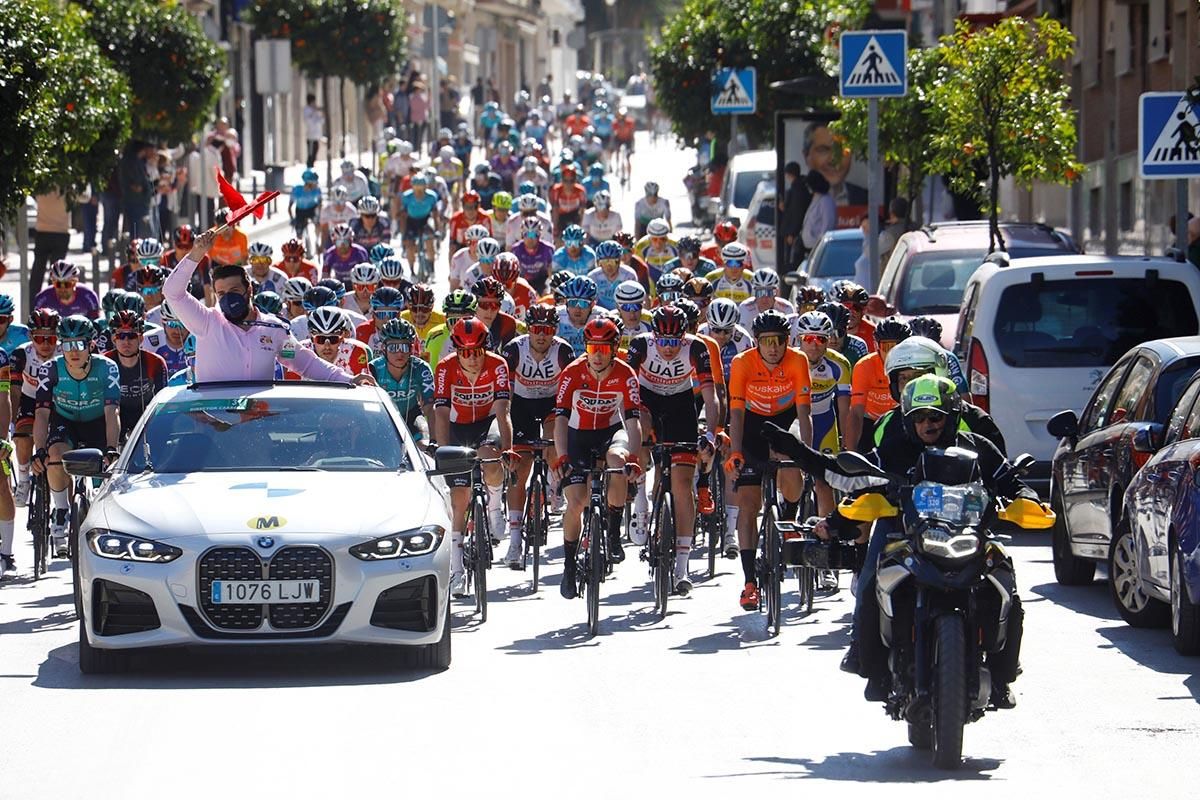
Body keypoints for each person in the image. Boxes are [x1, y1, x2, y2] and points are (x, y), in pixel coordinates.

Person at [762, 375, 1029, 707]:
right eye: (919, 418)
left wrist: (1027, 500)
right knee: (872, 581)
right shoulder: (895, 449)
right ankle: (872, 666)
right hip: (910, 538)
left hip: (969, 539)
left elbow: (1011, 482)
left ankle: (1002, 677)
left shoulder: (977, 446)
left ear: (951, 414)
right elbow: (844, 474)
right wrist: (795, 450)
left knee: (1006, 586)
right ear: (908, 420)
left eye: (935, 416)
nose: (927, 424)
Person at [163, 229, 371, 384]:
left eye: (234, 291)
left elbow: (306, 364)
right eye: (222, 294)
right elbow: (172, 292)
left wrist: (349, 380)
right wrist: (197, 254)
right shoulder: (206, 322)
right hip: (215, 427)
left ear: (250, 290)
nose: (228, 299)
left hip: (257, 424)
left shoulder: (274, 330)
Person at [723, 309, 814, 610]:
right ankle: (749, 582)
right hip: (751, 426)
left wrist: (807, 455)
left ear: (787, 341)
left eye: (778, 341)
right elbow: (735, 412)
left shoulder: (798, 360)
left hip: (786, 421)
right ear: (757, 343)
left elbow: (804, 414)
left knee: (789, 464)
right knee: (748, 504)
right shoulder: (742, 363)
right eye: (766, 341)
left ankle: (788, 514)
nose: (773, 347)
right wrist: (736, 451)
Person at [627, 305, 720, 595]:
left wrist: (710, 434)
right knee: (639, 432)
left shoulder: (696, 348)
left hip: (681, 406)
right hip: (646, 401)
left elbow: (711, 395)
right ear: (655, 337)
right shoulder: (641, 344)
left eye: (674, 341)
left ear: (684, 335)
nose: (668, 348)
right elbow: (625, 383)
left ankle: (682, 563)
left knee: (682, 486)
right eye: (663, 341)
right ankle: (640, 503)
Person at [552, 317, 642, 597]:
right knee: (576, 502)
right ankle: (569, 565)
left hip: (610, 433)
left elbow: (633, 421)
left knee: (617, 461)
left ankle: (614, 532)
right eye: (592, 349)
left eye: (604, 348)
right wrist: (562, 456)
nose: (598, 355)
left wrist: (635, 457)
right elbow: (560, 421)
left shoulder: (626, 374)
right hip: (578, 437)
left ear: (615, 349)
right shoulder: (572, 373)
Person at [433, 318, 515, 597]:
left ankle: (494, 505)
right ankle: (456, 569)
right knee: (459, 501)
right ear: (456, 351)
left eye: (477, 351)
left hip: (487, 423)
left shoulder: (497, 365)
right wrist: (444, 452)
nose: (472, 358)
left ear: (485, 349)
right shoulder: (445, 368)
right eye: (465, 352)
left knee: (491, 459)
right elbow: (441, 413)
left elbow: (503, 412)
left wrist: (508, 449)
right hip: (457, 426)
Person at [31, 316, 120, 555]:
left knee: (105, 469)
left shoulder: (107, 367)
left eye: (79, 344)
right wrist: (39, 450)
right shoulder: (50, 369)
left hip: (97, 421)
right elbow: (41, 414)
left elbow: (112, 412)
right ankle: (61, 514)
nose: (73, 352)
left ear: (91, 345)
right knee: (55, 455)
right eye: (67, 345)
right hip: (65, 420)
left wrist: (112, 447)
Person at [500, 304, 573, 565]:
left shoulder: (563, 351)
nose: (541, 335)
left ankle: (555, 486)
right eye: (536, 329)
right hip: (521, 404)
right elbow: (504, 394)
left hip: (552, 403)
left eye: (547, 330)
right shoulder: (514, 350)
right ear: (528, 329)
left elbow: (569, 391)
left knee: (554, 437)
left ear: (555, 331)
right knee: (520, 468)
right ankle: (516, 540)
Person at [793, 311, 851, 520]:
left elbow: (844, 408)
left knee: (824, 481)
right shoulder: (789, 361)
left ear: (828, 340)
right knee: (790, 474)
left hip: (825, 423)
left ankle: (824, 533)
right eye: (808, 338)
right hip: (795, 423)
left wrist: (847, 444)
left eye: (821, 339)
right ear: (799, 339)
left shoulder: (839, 364)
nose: (814, 344)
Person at [11, 309, 61, 506]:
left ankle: (62, 507)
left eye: (52, 338)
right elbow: (14, 392)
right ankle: (24, 480)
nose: (46, 344)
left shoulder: (65, 351)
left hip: (57, 400)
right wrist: (13, 423)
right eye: (40, 338)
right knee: (23, 437)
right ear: (31, 336)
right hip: (29, 398)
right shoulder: (21, 353)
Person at [844, 316, 911, 452]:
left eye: (899, 346)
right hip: (870, 421)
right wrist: (851, 453)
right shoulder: (864, 366)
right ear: (876, 347)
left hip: (902, 418)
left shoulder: (915, 365)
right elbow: (856, 412)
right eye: (887, 347)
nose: (893, 353)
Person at [104, 310, 167, 442]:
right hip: (114, 414)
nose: (126, 341)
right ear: (113, 339)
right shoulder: (105, 362)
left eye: (132, 336)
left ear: (141, 338)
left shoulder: (155, 362)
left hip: (145, 414)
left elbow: (162, 402)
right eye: (121, 336)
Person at [369, 318, 435, 442]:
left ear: (411, 348)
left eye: (404, 347)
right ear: (384, 348)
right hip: (380, 418)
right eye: (393, 347)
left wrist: (434, 442)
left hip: (411, 415)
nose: (399, 353)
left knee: (424, 445)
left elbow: (430, 408)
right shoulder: (373, 369)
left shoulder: (421, 368)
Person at [31, 191, 72, 297]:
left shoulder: (41, 183)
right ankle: (52, 302)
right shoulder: (68, 184)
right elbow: (85, 197)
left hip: (42, 231)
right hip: (61, 233)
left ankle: (33, 303)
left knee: (37, 271)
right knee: (57, 273)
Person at [398, 174, 441, 271]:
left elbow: (435, 214)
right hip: (411, 221)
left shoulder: (432, 196)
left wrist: (437, 230)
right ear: (412, 187)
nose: (419, 191)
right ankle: (412, 270)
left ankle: (432, 267)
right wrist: (403, 233)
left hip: (426, 220)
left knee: (430, 241)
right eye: (416, 188)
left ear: (426, 187)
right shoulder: (406, 197)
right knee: (410, 245)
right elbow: (403, 216)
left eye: (421, 188)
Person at [34, 261, 100, 319]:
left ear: (75, 282)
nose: (62, 288)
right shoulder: (42, 298)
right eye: (58, 284)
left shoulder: (89, 296)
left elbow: (96, 325)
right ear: (53, 283)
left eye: (67, 284)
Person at [555, 275, 601, 357]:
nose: (577, 309)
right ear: (565, 302)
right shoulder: (555, 316)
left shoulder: (602, 318)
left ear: (592, 304)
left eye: (583, 303)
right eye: (573, 302)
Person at [588, 240, 639, 311]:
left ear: (620, 260)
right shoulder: (592, 277)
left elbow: (634, 301)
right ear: (599, 262)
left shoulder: (629, 275)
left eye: (613, 262)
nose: (609, 266)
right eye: (605, 262)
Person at [778, 161, 811, 270]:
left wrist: (792, 232)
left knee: (792, 261)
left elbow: (797, 212)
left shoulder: (797, 189)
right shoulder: (799, 187)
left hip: (794, 232)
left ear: (790, 174)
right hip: (794, 231)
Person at [831, 280, 876, 352]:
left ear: (864, 311)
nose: (851, 312)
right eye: (846, 306)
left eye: (856, 308)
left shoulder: (873, 333)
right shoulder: (827, 329)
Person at [513, 219, 556, 293]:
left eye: (533, 234)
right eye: (526, 234)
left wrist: (549, 289)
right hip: (522, 281)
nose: (530, 238)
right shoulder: (515, 249)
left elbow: (551, 273)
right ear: (522, 235)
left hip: (542, 281)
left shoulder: (548, 249)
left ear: (539, 235)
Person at [801, 169, 836, 253]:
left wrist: (820, 240)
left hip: (817, 245)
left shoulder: (825, 200)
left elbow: (828, 223)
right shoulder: (815, 198)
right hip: (810, 244)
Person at [303, 94, 324, 167]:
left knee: (315, 151)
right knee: (311, 154)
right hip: (311, 136)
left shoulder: (315, 111)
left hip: (316, 136)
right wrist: (314, 111)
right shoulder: (307, 110)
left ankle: (312, 165)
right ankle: (309, 167)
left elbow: (320, 121)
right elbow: (308, 120)